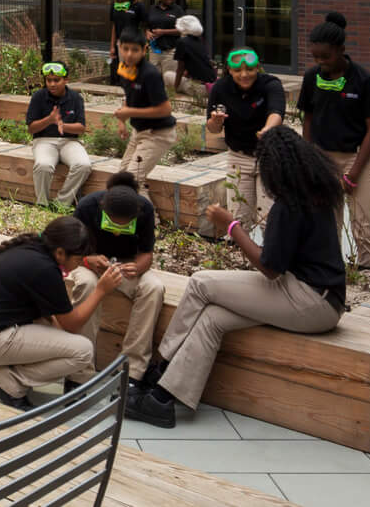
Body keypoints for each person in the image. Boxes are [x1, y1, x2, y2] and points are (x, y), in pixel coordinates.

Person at [124, 125, 347, 427]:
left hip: (310, 301)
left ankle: (158, 365)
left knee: (201, 282)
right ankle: (163, 399)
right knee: (214, 318)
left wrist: (231, 226)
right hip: (319, 299)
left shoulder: (289, 205)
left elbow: (269, 268)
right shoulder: (313, 190)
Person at [0, 215, 126, 408]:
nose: (80, 264)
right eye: (78, 259)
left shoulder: (32, 248)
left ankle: (1, 366)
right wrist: (101, 290)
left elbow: (54, 318)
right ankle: (9, 381)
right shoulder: (45, 268)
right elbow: (72, 324)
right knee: (82, 351)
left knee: (59, 334)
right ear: (60, 253)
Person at [69, 173, 169, 383]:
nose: (117, 232)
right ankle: (79, 371)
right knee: (87, 284)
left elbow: (146, 253)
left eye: (124, 225)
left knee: (154, 288)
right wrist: (88, 260)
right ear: (103, 208)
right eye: (113, 224)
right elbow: (70, 251)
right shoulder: (87, 206)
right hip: (87, 262)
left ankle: (132, 372)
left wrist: (138, 267)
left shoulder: (145, 209)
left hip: (125, 267)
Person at [303, 12, 370, 270]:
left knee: (363, 228)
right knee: (327, 226)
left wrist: (354, 173)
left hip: (357, 159)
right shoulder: (311, 77)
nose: (320, 62)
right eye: (315, 57)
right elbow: (308, 119)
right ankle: (331, 276)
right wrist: (309, 158)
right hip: (322, 160)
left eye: (325, 57)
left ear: (341, 50)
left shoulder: (364, 80)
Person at [206, 47, 286, 228]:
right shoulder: (221, 88)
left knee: (269, 218)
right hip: (238, 156)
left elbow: (277, 112)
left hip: (268, 155)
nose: (244, 75)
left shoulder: (270, 84)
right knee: (238, 219)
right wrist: (216, 121)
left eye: (249, 70)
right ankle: (242, 255)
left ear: (257, 68)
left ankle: (272, 255)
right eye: (237, 70)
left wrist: (267, 129)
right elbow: (211, 128)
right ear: (229, 70)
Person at [106, 29, 179, 180]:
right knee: (123, 177)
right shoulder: (124, 69)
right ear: (119, 47)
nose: (129, 54)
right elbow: (129, 95)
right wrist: (122, 121)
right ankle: (142, 204)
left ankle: (141, 204)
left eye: (135, 50)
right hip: (138, 131)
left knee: (132, 179)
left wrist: (129, 112)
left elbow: (165, 109)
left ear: (144, 50)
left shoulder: (150, 74)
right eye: (125, 49)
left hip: (158, 133)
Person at [25, 61, 92, 206]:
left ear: (66, 80)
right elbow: (31, 129)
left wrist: (63, 125)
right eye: (49, 80)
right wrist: (49, 120)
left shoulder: (75, 98)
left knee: (83, 165)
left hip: (70, 141)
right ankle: (42, 204)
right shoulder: (38, 96)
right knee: (43, 165)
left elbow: (81, 128)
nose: (52, 84)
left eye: (56, 80)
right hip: (43, 141)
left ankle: (61, 204)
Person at [168, 14, 215, 101]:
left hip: (199, 88)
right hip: (210, 85)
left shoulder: (182, 42)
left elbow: (180, 68)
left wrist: (174, 89)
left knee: (167, 75)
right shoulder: (199, 40)